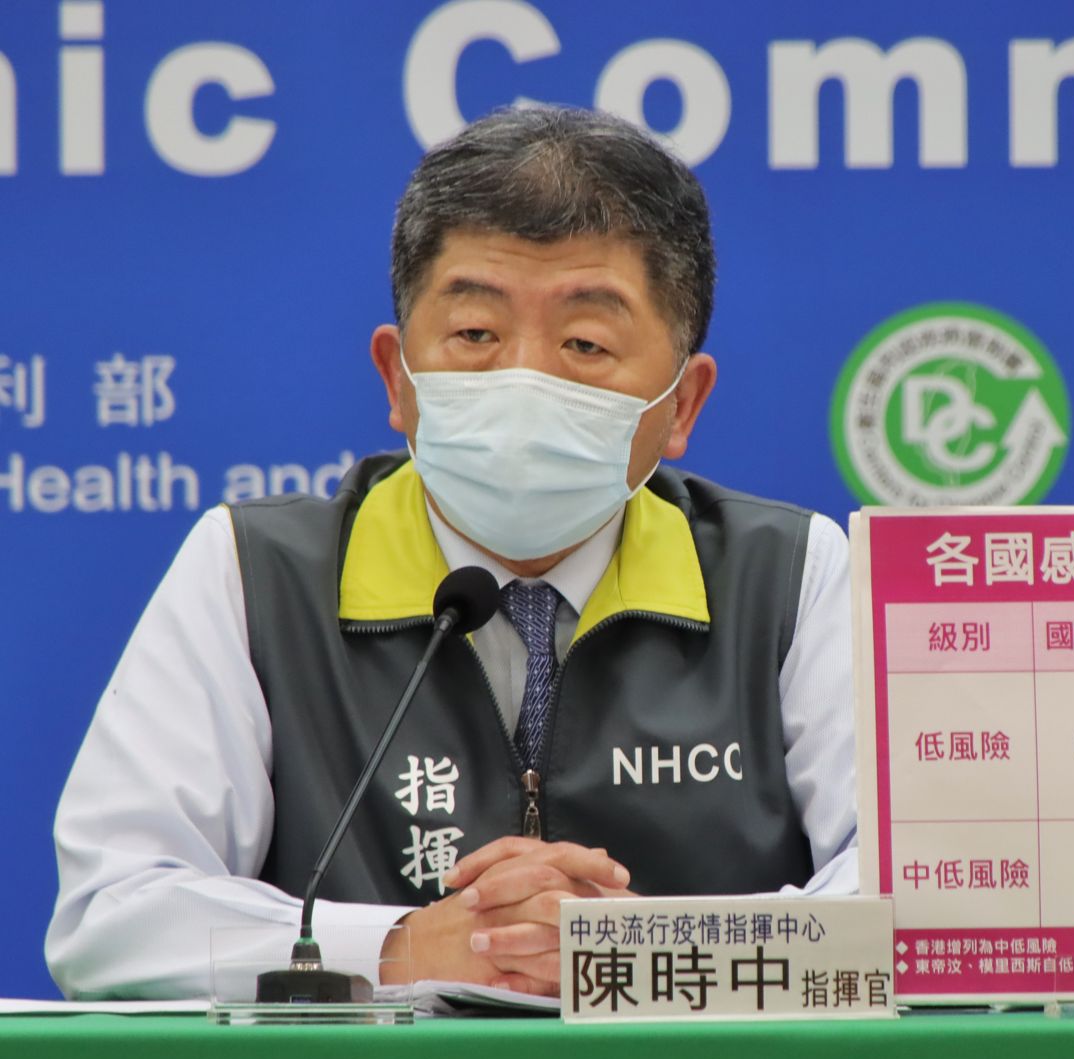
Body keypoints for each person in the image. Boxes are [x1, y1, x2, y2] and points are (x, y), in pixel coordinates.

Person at [46, 105, 857, 999]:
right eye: (475, 334)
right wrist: (402, 948)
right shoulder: (255, 573)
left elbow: (922, 902)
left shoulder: (791, 579)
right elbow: (113, 916)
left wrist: (640, 953)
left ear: (682, 405)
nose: (524, 379)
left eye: (585, 343)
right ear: (397, 377)